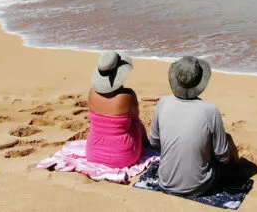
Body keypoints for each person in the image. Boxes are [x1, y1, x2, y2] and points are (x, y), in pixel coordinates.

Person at [148, 55, 239, 196]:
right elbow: (223, 157)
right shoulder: (210, 110)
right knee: (227, 139)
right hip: (200, 186)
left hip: (165, 182)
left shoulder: (163, 103)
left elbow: (154, 142)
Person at [86, 50, 147, 168]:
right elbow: (136, 121)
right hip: (124, 157)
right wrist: (145, 141)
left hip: (93, 154)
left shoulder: (91, 93)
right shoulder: (127, 97)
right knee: (135, 122)